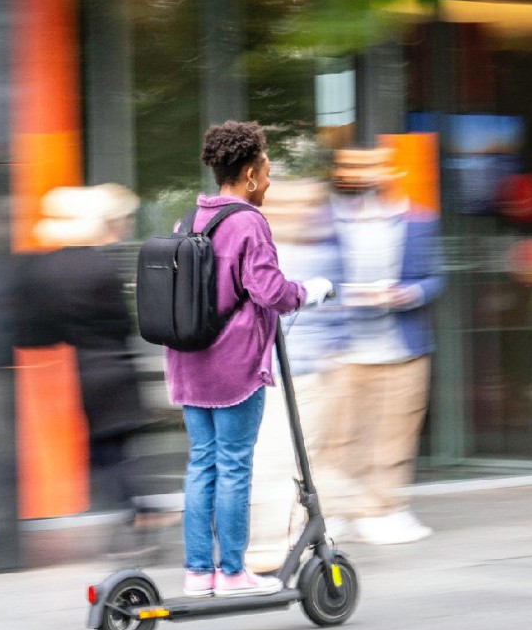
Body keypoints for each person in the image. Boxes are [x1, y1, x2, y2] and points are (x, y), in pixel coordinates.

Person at [166, 120, 331, 598]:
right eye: (267, 171)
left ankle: (199, 572)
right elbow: (269, 291)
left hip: (188, 365)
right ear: (251, 175)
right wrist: (311, 292)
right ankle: (233, 571)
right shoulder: (248, 223)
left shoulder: (189, 218)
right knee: (235, 465)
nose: (270, 182)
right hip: (233, 368)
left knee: (202, 464)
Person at [20, 184, 159, 556]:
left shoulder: (48, 269)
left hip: (84, 373)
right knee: (116, 453)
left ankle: (136, 515)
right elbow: (123, 324)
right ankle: (138, 516)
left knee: (105, 453)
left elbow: (41, 332)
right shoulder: (101, 267)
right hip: (116, 368)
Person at [318, 147, 445, 544]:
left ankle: (385, 511)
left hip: (402, 347)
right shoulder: (330, 222)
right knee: (339, 436)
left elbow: (435, 277)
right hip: (346, 349)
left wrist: (406, 294)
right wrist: (342, 295)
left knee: (394, 434)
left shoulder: (420, 221)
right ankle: (337, 512)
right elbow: (315, 277)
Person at [244, 179, 352, 574]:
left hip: (308, 372)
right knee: (273, 457)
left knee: (308, 453)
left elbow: (338, 312)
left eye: (306, 205)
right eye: (289, 205)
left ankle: (303, 528)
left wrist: (337, 357)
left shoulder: (322, 248)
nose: (299, 213)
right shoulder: (262, 249)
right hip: (268, 373)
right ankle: (269, 541)